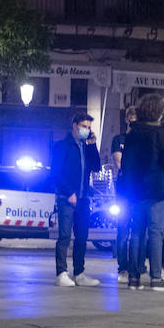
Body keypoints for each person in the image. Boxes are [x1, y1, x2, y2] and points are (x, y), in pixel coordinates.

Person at [119, 94, 164, 291]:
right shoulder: (162, 135)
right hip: (157, 190)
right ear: (159, 111)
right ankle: (155, 277)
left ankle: (133, 278)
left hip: (134, 191)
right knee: (155, 233)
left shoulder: (132, 134)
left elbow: (126, 165)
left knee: (136, 233)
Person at [51, 109, 103, 288]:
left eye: (89, 127)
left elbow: (96, 167)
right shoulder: (62, 146)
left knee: (82, 236)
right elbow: (55, 173)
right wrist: (69, 192)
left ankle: (79, 273)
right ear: (74, 126)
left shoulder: (86, 146)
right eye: (83, 126)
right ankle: (61, 273)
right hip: (67, 198)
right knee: (65, 236)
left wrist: (93, 145)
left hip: (83, 199)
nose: (86, 130)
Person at [112, 104, 138, 282]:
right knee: (122, 231)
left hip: (139, 191)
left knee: (138, 231)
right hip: (123, 191)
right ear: (127, 119)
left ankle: (137, 266)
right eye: (132, 118)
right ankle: (123, 268)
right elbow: (119, 163)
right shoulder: (119, 139)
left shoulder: (143, 140)